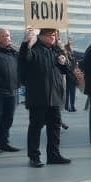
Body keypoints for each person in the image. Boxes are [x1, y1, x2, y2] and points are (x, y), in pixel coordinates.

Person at [18, 28, 71, 167]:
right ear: (40, 36)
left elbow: (67, 70)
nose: (52, 37)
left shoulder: (57, 51)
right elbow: (24, 58)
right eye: (49, 35)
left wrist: (64, 62)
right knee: (36, 127)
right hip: (38, 96)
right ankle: (34, 156)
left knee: (55, 127)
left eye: (54, 35)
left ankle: (54, 154)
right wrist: (26, 43)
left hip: (54, 96)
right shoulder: (34, 50)